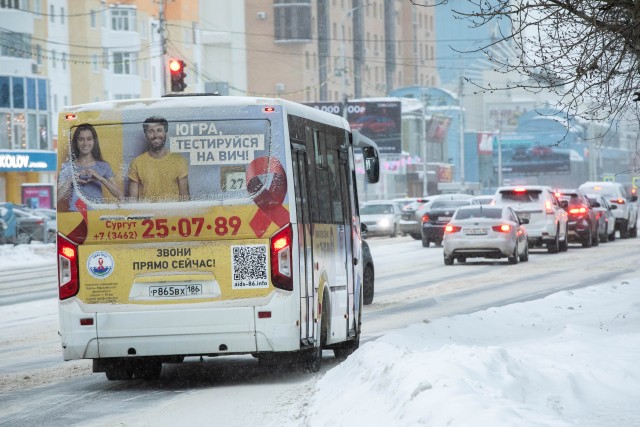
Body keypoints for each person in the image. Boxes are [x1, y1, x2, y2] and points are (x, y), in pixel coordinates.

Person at [57, 123, 123, 212]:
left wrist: (100, 178)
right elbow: (57, 198)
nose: (85, 143)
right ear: (76, 142)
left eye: (89, 139)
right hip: (75, 217)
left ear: (94, 141)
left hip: (97, 216)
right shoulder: (67, 166)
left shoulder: (103, 166)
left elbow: (120, 196)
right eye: (81, 139)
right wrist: (72, 180)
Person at [127, 116, 190, 201]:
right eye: (151, 131)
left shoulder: (179, 161)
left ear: (165, 133)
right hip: (147, 213)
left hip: (173, 214)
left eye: (159, 130)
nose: (156, 135)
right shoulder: (136, 163)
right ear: (145, 134)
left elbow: (185, 199)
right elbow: (132, 202)